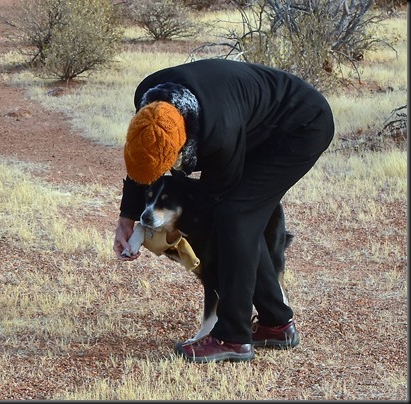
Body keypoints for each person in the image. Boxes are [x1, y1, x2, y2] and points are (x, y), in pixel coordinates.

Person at [113, 58, 334, 363]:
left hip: (301, 126)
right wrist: (127, 216)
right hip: (253, 123)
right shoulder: (149, 97)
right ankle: (277, 324)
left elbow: (212, 205)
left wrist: (173, 240)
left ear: (183, 146)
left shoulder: (219, 134)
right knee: (236, 218)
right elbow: (143, 158)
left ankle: (233, 337)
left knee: (234, 216)